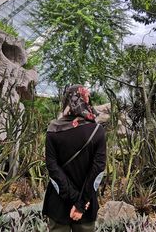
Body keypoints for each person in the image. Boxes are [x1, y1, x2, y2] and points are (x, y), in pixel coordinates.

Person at [42, 84, 106, 232]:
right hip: (86, 203)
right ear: (84, 100)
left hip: (58, 203)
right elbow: (97, 170)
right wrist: (81, 203)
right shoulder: (97, 131)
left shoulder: (53, 129)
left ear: (67, 101)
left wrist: (74, 198)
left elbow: (52, 168)